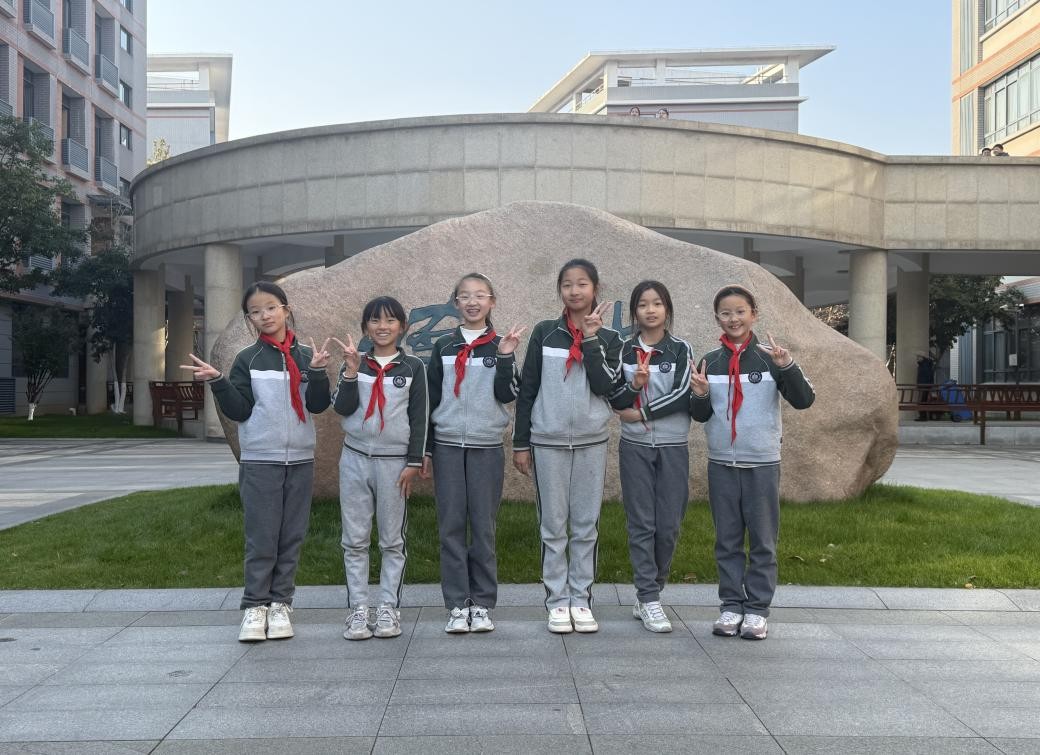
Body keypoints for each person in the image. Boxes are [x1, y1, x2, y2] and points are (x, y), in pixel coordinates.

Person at [182, 281, 331, 643]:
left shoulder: (307, 355)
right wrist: (218, 382)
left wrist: (317, 372)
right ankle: (255, 605)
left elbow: (317, 405)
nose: (264, 315)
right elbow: (240, 411)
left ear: (286, 310)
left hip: (300, 459)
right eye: (255, 311)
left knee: (291, 536)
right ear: (249, 318)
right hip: (260, 459)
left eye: (271, 307)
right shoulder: (247, 359)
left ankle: (280, 604)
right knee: (262, 536)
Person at [689, 284, 814, 640]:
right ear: (717, 318)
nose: (734, 319)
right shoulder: (709, 362)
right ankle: (731, 606)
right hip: (722, 464)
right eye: (726, 313)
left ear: (754, 315)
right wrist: (700, 394)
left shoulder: (770, 358)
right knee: (727, 539)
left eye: (740, 311)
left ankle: (757, 609)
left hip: (761, 463)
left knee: (762, 540)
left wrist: (787, 366)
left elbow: (804, 399)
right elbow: (699, 415)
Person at [513, 259, 622, 634]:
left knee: (586, 525)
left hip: (592, 441)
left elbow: (605, 386)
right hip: (547, 441)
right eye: (567, 284)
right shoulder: (545, 333)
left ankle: (581, 599)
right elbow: (528, 389)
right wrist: (521, 442)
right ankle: (558, 601)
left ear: (595, 289)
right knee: (553, 525)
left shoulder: (611, 339)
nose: (574, 291)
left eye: (582, 284)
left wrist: (590, 339)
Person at [425, 273, 524, 633]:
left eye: (480, 295)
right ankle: (456, 604)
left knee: (483, 527)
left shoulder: (501, 344)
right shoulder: (443, 346)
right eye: (465, 296)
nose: (472, 302)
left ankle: (481, 603)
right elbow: (430, 399)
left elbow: (508, 394)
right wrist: (426, 449)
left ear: (492, 302)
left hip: (486, 447)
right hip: (448, 446)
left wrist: (505, 357)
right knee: (451, 526)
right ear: (456, 303)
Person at [332, 296, 428, 641]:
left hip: (394, 463)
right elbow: (342, 408)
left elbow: (420, 417)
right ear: (365, 327)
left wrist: (414, 462)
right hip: (355, 459)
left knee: (392, 539)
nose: (382, 327)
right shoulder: (355, 363)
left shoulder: (413, 367)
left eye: (390, 320)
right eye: (374, 320)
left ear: (402, 327)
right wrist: (350, 372)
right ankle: (358, 609)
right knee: (354, 539)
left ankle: (388, 607)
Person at [609, 280, 693, 633]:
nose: (650, 310)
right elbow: (614, 396)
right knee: (641, 523)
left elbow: (683, 393)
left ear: (667, 309)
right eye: (643, 304)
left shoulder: (680, 349)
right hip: (635, 448)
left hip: (673, 446)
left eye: (657, 303)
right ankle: (648, 597)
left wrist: (643, 412)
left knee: (669, 525)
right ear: (635, 312)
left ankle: (652, 590)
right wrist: (634, 387)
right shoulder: (623, 350)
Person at [915, 350, 936, 422]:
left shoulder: (925, 365)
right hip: (924, 386)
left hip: (924, 386)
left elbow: (926, 377)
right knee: (923, 401)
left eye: (918, 357)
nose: (917, 358)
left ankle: (923, 417)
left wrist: (922, 385)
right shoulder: (924, 364)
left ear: (922, 357)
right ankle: (923, 416)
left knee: (922, 401)